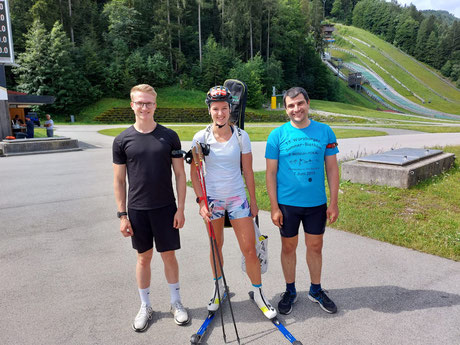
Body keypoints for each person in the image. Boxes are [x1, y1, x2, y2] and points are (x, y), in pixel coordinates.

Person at [190, 85, 277, 319]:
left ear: (230, 110)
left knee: (249, 248)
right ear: (209, 110)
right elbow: (195, 174)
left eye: (224, 108)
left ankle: (258, 293)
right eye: (215, 109)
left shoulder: (241, 136)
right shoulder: (201, 137)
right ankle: (218, 289)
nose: (220, 113)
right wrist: (201, 203)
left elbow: (248, 171)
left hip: (238, 198)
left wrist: (254, 202)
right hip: (213, 200)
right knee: (215, 247)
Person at [112, 84, 190, 332]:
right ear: (132, 105)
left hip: (166, 208)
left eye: (149, 103)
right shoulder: (122, 140)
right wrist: (122, 215)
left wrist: (180, 209)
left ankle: (176, 302)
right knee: (143, 258)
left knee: (169, 256)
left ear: (155, 105)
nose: (144, 107)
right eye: (140, 103)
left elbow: (179, 174)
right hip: (137, 210)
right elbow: (119, 180)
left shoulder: (169, 136)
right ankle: (145, 305)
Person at [265, 87, 339, 315]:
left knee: (315, 247)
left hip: (316, 204)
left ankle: (316, 290)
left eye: (299, 103)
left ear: (308, 103)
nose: (296, 109)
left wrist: (334, 202)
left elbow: (332, 169)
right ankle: (290, 290)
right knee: (289, 247)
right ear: (286, 109)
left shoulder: (325, 132)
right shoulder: (277, 135)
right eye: (290, 105)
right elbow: (270, 173)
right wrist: (275, 207)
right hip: (288, 205)